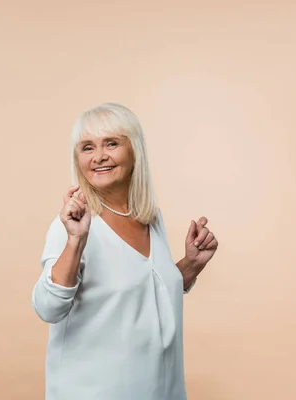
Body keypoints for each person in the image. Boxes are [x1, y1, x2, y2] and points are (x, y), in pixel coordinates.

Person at [32, 102, 218, 400]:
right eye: (87, 147)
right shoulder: (73, 223)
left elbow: (144, 291)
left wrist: (190, 266)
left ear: (135, 151)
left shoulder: (149, 217)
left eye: (111, 143)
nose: (100, 156)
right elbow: (48, 307)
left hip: (162, 390)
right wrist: (76, 241)